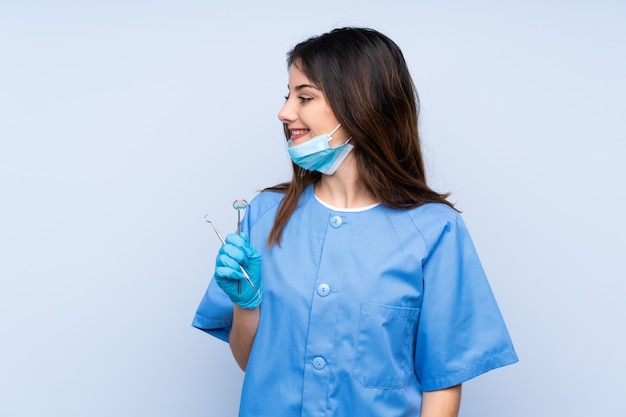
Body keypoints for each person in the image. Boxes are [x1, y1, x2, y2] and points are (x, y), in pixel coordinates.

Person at [193, 27, 518, 417]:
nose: (285, 112)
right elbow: (250, 363)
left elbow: (442, 385)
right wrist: (246, 304)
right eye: (288, 95)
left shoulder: (434, 232)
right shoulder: (264, 216)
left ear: (359, 105)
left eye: (305, 97)